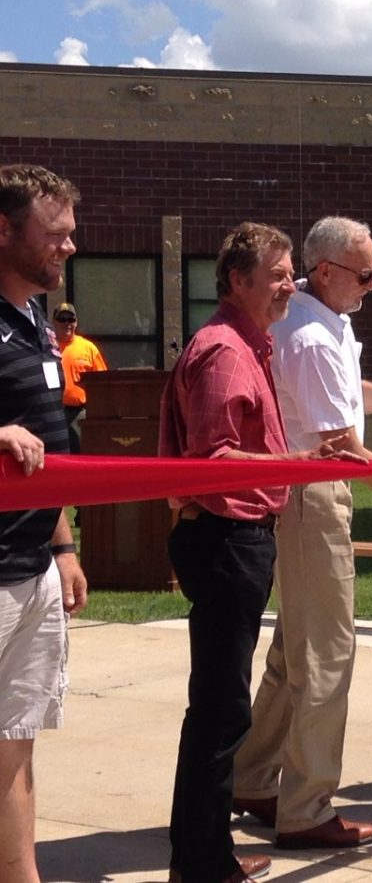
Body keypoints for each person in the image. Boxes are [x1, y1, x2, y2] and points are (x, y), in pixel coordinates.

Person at [232, 217, 372, 849]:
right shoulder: (306, 333)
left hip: (307, 496)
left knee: (294, 652)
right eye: (365, 274)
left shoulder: (320, 319)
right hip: (311, 498)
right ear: (328, 271)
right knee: (327, 656)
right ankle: (305, 810)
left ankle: (251, 778)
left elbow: (340, 394)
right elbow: (340, 448)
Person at [159, 222, 363, 883]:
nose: (289, 285)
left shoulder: (252, 342)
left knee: (225, 706)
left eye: (288, 275)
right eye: (277, 276)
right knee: (219, 710)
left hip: (240, 537)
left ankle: (204, 851)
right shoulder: (223, 349)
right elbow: (211, 461)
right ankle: (202, 861)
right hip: (224, 540)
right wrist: (298, 460)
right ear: (237, 281)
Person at [0, 163, 88, 883]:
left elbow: (48, 445)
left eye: (71, 234)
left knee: (15, 744)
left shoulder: (33, 319)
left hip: (30, 566)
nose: (68, 247)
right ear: (3, 230)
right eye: (54, 234)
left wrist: (63, 546)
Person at [51, 301, 107, 453]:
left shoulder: (88, 348)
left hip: (81, 412)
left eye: (71, 319)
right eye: (62, 319)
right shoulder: (47, 347)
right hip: (54, 411)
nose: (67, 323)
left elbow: (101, 384)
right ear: (54, 322)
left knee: (82, 451)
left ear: (76, 323)